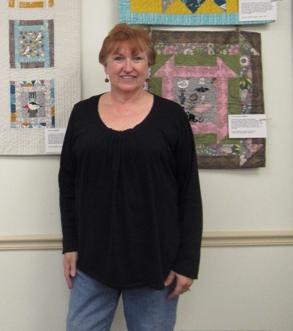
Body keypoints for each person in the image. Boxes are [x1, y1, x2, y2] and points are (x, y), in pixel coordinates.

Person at [58, 23, 203, 331]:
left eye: (136, 58)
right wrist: (70, 244)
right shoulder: (82, 114)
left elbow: (189, 193)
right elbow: (67, 186)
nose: (127, 67)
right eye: (118, 58)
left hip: (157, 263)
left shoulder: (172, 117)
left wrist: (187, 262)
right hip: (92, 261)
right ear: (105, 65)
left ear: (148, 65)